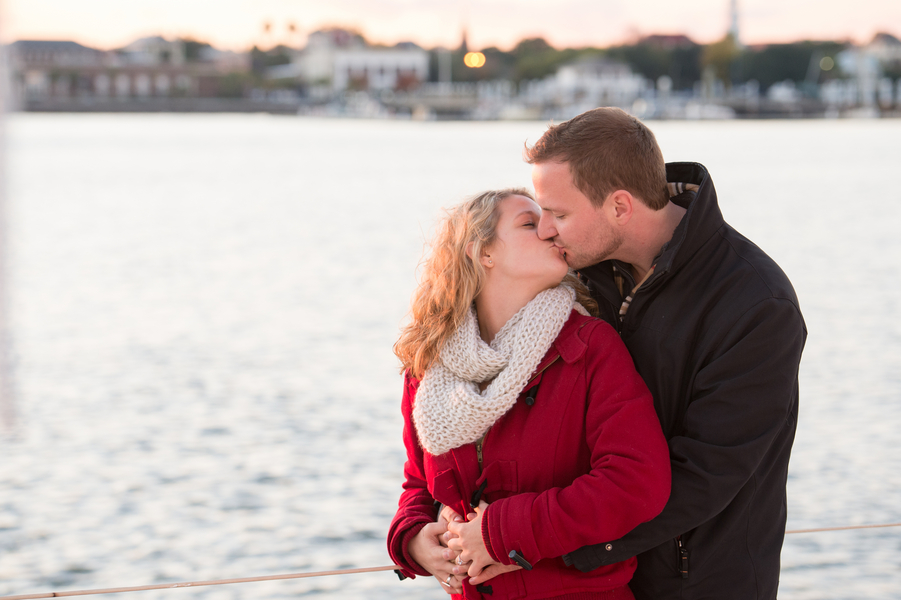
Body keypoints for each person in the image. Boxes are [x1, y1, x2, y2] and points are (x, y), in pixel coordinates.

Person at [517, 107, 807, 599]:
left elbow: (707, 473)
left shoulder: (757, 303)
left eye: (559, 214)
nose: (546, 229)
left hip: (698, 584)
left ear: (620, 207)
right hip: (593, 583)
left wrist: (553, 546)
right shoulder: (575, 278)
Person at [387, 188, 671, 599]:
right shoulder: (429, 367)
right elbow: (419, 485)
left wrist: (502, 531)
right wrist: (413, 540)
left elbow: (637, 482)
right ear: (483, 253)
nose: (549, 230)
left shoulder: (589, 346)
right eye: (528, 222)